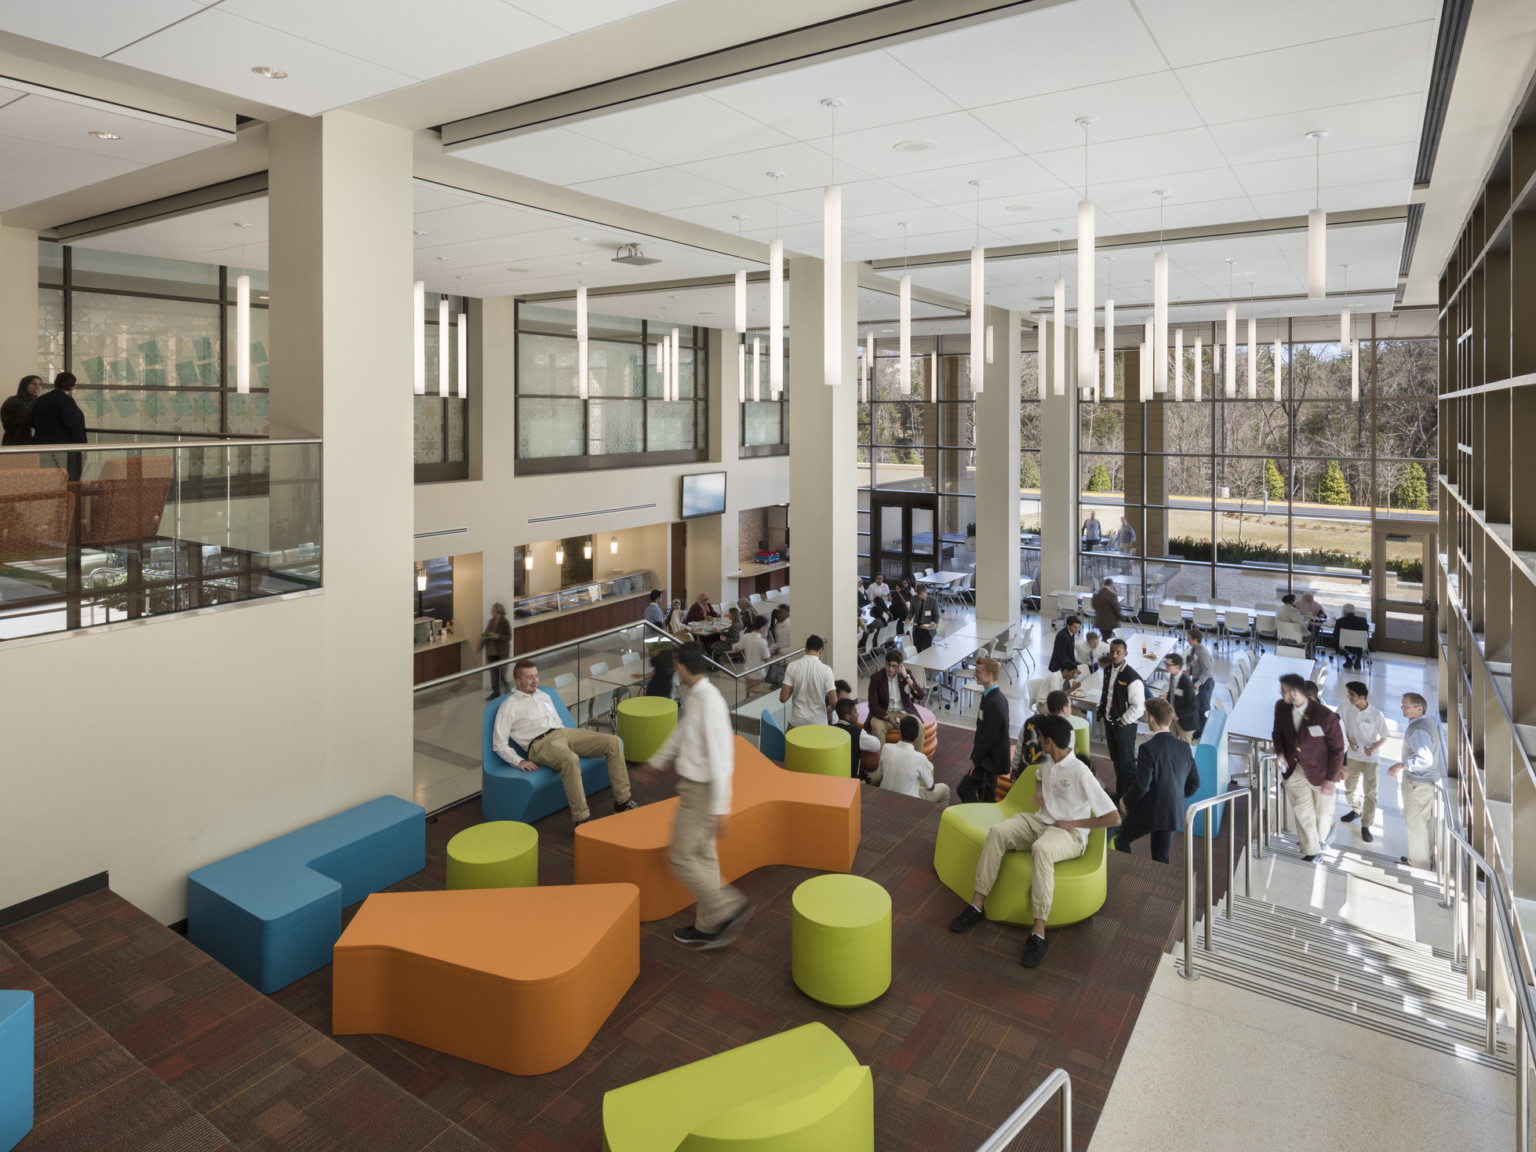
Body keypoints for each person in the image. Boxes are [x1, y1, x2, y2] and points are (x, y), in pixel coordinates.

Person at [950, 714, 1118, 968]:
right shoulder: (1048, 759)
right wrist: (1040, 793)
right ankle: (976, 906)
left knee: (1041, 850)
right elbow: (1040, 776)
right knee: (997, 832)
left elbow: (1113, 817)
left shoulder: (1080, 773)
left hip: (1069, 835)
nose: (1037, 741)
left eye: (1040, 738)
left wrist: (1075, 824)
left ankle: (1038, 933)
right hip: (1041, 821)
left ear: (1049, 741)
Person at [644, 644, 754, 950]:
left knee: (679, 857)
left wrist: (721, 808)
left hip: (702, 792)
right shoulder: (696, 696)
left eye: (677, 664)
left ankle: (728, 907)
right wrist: (656, 763)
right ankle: (708, 926)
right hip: (696, 788)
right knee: (704, 856)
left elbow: (722, 758)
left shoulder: (709, 702)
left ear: (683, 666)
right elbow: (681, 732)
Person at [491, 660, 637, 827]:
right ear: (518, 681)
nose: (535, 681)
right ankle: (582, 818)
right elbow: (498, 743)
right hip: (540, 744)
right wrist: (519, 761)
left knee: (614, 742)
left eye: (536, 676)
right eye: (530, 678)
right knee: (570, 759)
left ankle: (622, 801)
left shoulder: (544, 695)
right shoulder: (509, 706)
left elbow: (557, 721)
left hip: (564, 733)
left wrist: (567, 737)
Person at [1114, 698, 1201, 864]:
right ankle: (1160, 885)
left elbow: (1142, 785)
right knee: (1161, 857)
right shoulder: (1184, 747)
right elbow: (1195, 783)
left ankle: (1126, 871)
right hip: (1173, 811)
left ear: (1151, 718)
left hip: (1151, 810)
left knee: (1122, 840)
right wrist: (1175, 796)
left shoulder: (1148, 748)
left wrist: (1126, 800)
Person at [1271, 672, 1345, 861]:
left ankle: (1321, 839)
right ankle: (1312, 851)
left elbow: (1337, 749)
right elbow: (1277, 733)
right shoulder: (1281, 707)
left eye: (1284, 690)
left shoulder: (1325, 716)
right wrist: (1280, 752)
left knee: (1322, 815)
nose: (1281, 694)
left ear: (1295, 693)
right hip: (1294, 770)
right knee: (1303, 813)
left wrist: (1330, 779)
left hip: (1321, 772)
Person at [1390, 692, 1443, 869]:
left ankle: (1418, 863)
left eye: (1406, 705)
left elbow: (1425, 759)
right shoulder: (1426, 723)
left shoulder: (1419, 729)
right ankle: (1424, 860)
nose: (1402, 708)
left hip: (1418, 783)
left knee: (1416, 824)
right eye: (1402, 705)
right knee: (1425, 823)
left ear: (1419, 708)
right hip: (1427, 782)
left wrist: (1401, 765)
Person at [1338, 681, 1390, 844]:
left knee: (1370, 793)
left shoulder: (1376, 714)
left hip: (1370, 760)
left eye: (1352, 695)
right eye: (1348, 694)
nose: (1348, 697)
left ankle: (1366, 825)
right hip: (1352, 756)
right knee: (1349, 789)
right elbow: (1338, 724)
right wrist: (1348, 740)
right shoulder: (1346, 707)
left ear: (1362, 697)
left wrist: (1373, 748)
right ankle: (1356, 809)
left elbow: (1384, 736)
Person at [1099, 637, 1145, 806]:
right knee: (1116, 760)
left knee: (1127, 763)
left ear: (1125, 653)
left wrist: (1123, 721)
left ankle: (1131, 800)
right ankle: (1120, 794)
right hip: (1109, 723)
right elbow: (1108, 693)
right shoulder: (1108, 670)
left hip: (1124, 726)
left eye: (1118, 652)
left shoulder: (1132, 677)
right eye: (1112, 651)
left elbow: (1139, 707)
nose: (1115, 655)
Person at [959, 658, 1008, 803]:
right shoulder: (991, 696)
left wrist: (975, 760)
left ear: (990, 675)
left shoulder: (994, 702)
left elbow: (989, 737)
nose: (974, 674)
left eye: (978, 671)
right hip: (986, 757)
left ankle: (976, 818)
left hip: (989, 760)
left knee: (965, 789)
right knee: (986, 795)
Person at [872, 715, 950, 804]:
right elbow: (930, 787)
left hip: (885, 797)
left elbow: (881, 773)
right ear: (917, 736)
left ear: (900, 733)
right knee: (945, 789)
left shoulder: (886, 748)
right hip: (909, 802)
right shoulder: (920, 758)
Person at [30, 371, 86, 480]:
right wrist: (82, 446)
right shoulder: (67, 401)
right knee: (65, 481)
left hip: (39, 447)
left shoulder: (41, 399)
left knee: (44, 480)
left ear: (55, 383)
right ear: (73, 387)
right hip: (62, 450)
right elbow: (73, 425)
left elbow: (33, 421)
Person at [866, 650, 925, 744]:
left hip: (904, 711)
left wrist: (906, 677)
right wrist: (888, 718)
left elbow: (920, 696)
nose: (890, 669)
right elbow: (873, 705)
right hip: (884, 712)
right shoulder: (876, 678)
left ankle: (916, 757)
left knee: (919, 727)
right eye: (887, 664)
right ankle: (881, 757)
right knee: (877, 727)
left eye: (894, 666)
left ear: (900, 666)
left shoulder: (906, 674)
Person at [778, 634, 836, 729]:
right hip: (818, 723)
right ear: (821, 650)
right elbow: (834, 703)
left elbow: (783, 698)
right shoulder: (826, 670)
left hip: (796, 722)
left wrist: (795, 685)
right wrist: (829, 709)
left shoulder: (792, 666)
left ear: (805, 648)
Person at [832, 697, 882, 780]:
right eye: (855, 712)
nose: (857, 714)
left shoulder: (830, 729)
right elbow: (876, 745)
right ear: (847, 716)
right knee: (879, 773)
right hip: (850, 779)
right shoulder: (857, 733)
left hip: (832, 776)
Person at [1185, 628, 1214, 738]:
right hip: (1197, 680)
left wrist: (1199, 683)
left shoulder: (1203, 653)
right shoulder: (1194, 649)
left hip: (1205, 683)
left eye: (1189, 638)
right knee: (1197, 706)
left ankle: (1204, 732)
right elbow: (1195, 664)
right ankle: (1199, 730)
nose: (1187, 639)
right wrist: (1190, 671)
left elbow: (1207, 671)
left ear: (1195, 639)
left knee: (1203, 708)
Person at [480, 602, 512, 699]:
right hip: (491, 652)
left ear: (498, 612)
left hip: (501, 652)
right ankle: (496, 693)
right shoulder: (491, 621)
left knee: (500, 673)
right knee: (493, 674)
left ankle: (505, 687)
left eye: (493, 610)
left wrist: (498, 636)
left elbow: (509, 636)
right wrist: (483, 642)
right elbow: (486, 634)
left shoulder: (505, 622)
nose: (491, 612)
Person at [1163, 653, 1199, 736]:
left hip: (1185, 720)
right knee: (1171, 742)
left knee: (1184, 746)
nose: (1166, 667)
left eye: (1168, 665)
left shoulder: (1185, 682)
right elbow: (1175, 693)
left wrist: (1177, 714)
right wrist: (1167, 696)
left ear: (1177, 667)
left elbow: (1193, 706)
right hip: (1172, 717)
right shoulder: (1172, 675)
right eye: (1166, 664)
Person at [0, 375, 42, 446]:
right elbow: (8, 425)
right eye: (33, 383)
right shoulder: (12, 402)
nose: (37, 387)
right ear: (24, 385)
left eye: (40, 384)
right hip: (14, 442)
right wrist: (31, 417)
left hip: (35, 443)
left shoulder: (40, 402)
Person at [1333, 604, 1370, 669]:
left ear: (1344, 611)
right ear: (1353, 611)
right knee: (1362, 640)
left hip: (1345, 645)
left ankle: (1348, 659)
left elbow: (1335, 634)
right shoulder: (1362, 620)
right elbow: (1366, 631)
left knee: (1336, 641)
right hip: (1360, 646)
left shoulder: (1339, 621)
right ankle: (1358, 660)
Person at [735, 615, 772, 681]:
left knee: (748, 690)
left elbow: (737, 648)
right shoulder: (762, 641)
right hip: (758, 673)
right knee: (758, 690)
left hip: (747, 671)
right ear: (763, 627)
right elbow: (767, 659)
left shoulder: (746, 636)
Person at [911, 585, 940, 652]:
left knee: (926, 650)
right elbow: (911, 612)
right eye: (918, 595)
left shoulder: (933, 601)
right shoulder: (914, 599)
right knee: (917, 648)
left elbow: (936, 615)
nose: (920, 596)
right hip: (917, 628)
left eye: (922, 594)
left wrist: (934, 623)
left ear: (925, 592)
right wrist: (908, 619)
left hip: (928, 629)